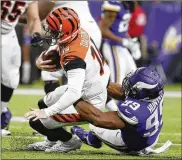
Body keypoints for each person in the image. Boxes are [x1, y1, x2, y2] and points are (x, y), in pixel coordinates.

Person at [24, 7, 110, 153]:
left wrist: (48, 113)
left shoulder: (74, 56)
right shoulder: (79, 32)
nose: (50, 32)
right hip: (88, 88)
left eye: (54, 30)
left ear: (64, 32)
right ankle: (52, 140)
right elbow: (61, 45)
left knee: (37, 121)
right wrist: (41, 60)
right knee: (42, 102)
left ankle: (70, 141)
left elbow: (74, 92)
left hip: (89, 103)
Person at [71, 67, 172, 155]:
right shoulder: (155, 92)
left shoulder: (137, 112)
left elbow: (99, 119)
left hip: (134, 145)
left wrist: (74, 97)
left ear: (141, 92)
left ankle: (90, 140)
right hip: (152, 136)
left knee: (94, 126)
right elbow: (123, 93)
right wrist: (96, 82)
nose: (127, 84)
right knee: (124, 118)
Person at [1, 1, 43, 136]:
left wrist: (36, 34)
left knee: (11, 80)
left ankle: (2, 113)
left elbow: (33, 17)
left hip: (8, 34)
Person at [99, 1, 138, 85]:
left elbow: (121, 27)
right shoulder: (114, 5)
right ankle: (114, 98)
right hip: (113, 46)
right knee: (118, 82)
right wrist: (122, 41)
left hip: (121, 47)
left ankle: (129, 98)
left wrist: (130, 41)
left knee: (133, 76)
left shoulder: (126, 4)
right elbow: (103, 30)